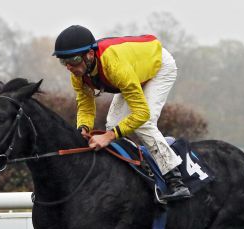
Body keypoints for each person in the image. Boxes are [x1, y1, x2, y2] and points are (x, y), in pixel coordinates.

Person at [52, 25, 191, 201]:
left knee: (143, 123)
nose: (69, 67)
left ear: (90, 54)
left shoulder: (114, 66)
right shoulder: (78, 74)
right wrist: (83, 128)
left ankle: (176, 181)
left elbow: (142, 113)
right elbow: (86, 105)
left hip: (159, 66)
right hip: (134, 69)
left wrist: (108, 137)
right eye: (64, 62)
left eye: (74, 59)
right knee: (112, 125)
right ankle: (142, 169)